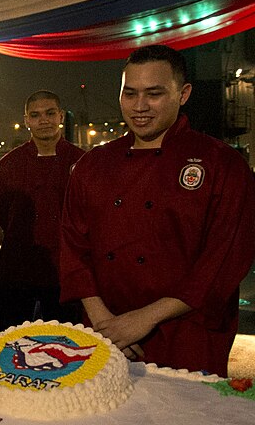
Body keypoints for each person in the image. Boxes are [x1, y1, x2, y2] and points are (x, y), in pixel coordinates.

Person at [60, 44, 255, 376]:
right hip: (105, 334)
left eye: (154, 94)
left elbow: (222, 261)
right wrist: (107, 323)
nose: (139, 106)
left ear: (183, 94)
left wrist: (143, 319)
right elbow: (73, 251)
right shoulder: (92, 165)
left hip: (187, 334)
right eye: (130, 93)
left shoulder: (222, 163)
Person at [0, 91, 84, 330]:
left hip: (65, 271)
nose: (43, 120)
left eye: (50, 113)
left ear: (61, 116)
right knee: (12, 343)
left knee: (66, 344)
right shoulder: (10, 164)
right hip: (18, 271)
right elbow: (2, 213)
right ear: (26, 121)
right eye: (36, 115)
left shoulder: (82, 162)